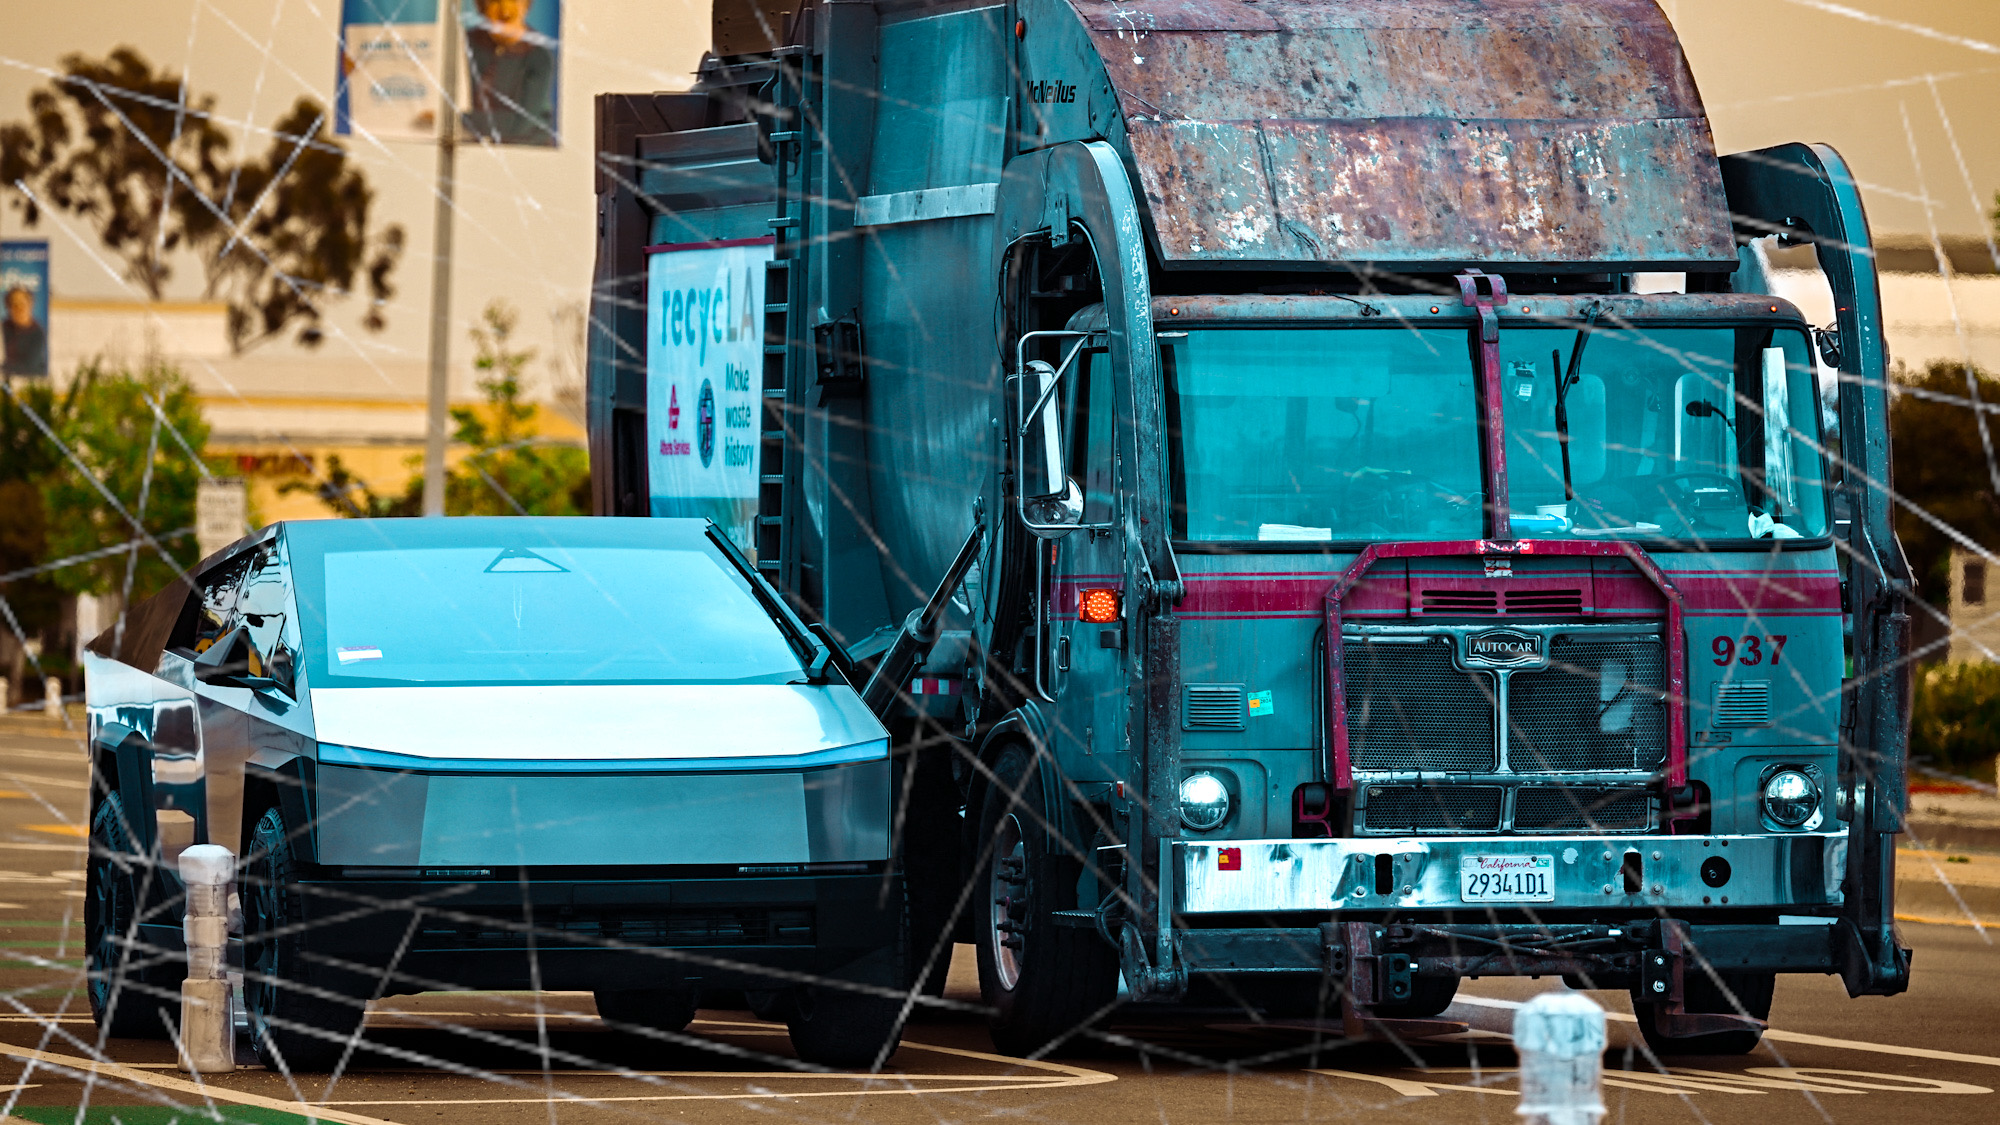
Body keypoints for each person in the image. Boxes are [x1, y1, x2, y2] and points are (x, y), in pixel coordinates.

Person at [462, 0, 556, 146]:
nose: (505, 10)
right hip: (471, 153)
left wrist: (458, 120)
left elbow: (520, 124)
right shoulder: (465, 44)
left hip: (527, 155)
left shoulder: (539, 56)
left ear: (526, 5)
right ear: (481, 6)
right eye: (495, 1)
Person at [1, 286, 47, 376]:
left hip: (30, 383)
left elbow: (30, 367)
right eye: (14, 305)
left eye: (22, 304)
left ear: (30, 305)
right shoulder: (4, 328)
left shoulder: (37, 333)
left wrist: (3, 368)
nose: (18, 309)